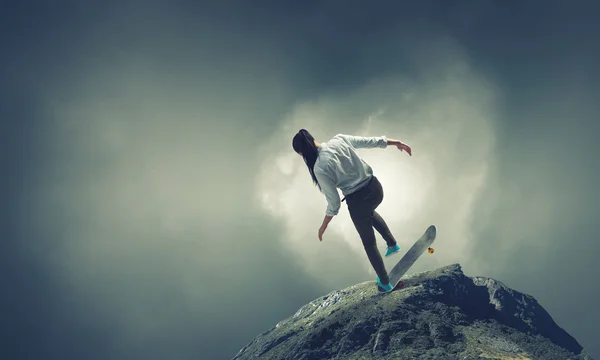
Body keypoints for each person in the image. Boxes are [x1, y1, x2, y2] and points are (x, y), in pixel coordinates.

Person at [292, 129, 412, 292]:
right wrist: (396, 142)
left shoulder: (319, 168)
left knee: (369, 243)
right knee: (368, 213)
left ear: (302, 153)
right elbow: (370, 141)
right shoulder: (339, 140)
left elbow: (334, 202)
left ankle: (384, 282)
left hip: (358, 201)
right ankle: (392, 244)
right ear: (313, 139)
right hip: (376, 189)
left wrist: (324, 225)